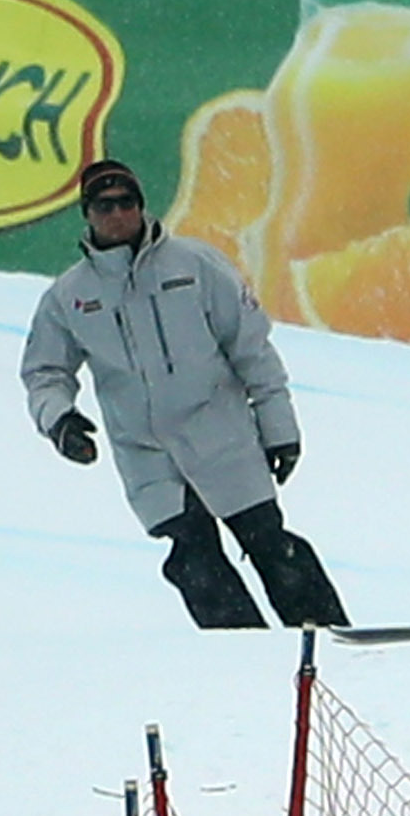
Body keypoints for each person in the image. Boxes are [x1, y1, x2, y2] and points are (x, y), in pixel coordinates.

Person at [19, 152, 350, 630]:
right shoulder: (69, 296)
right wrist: (59, 420)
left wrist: (279, 429)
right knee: (193, 558)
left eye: (126, 202)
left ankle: (325, 634)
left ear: (142, 205)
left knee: (269, 542)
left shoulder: (195, 264)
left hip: (222, 437)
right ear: (87, 215)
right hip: (147, 453)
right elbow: (44, 371)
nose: (116, 214)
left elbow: (252, 349)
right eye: (103, 205)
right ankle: (243, 649)